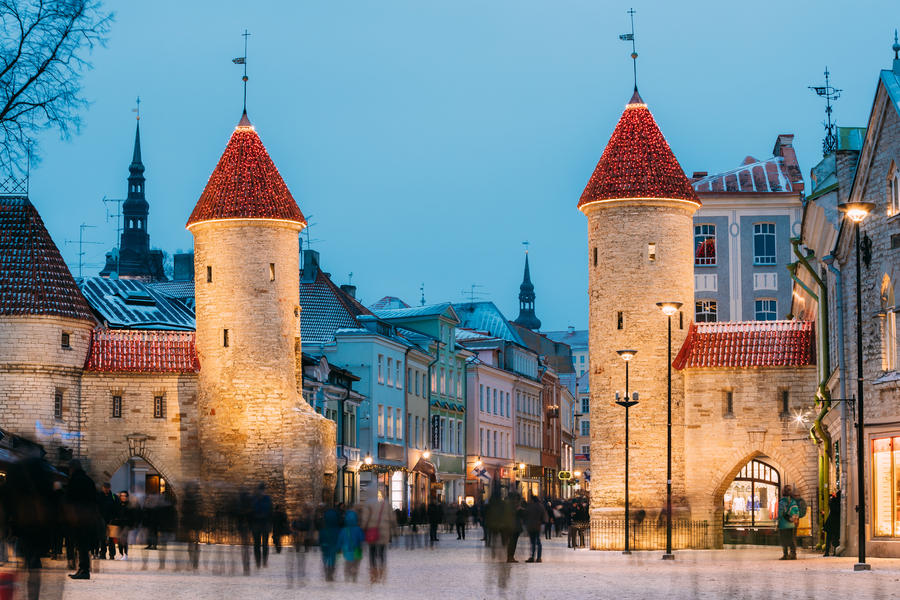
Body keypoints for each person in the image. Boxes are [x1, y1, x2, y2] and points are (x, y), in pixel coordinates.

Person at [1, 453, 57, 599]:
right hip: (39, 526)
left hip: (23, 524)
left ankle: (28, 576)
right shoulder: (42, 474)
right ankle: (33, 593)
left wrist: (6, 524)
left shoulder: (15, 473)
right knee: (33, 560)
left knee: (27, 556)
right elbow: (53, 502)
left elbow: (7, 501)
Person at [64, 460, 99, 580]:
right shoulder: (88, 480)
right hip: (88, 516)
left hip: (78, 516)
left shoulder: (75, 480)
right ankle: (82, 569)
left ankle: (84, 570)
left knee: (81, 544)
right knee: (83, 544)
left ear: (72, 468)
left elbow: (70, 498)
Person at [363, 497, 396, 583]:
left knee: (372, 552)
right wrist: (394, 529)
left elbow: (365, 518)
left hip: (372, 530)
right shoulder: (387, 505)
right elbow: (392, 518)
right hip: (384, 531)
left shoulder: (369, 505)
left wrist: (363, 528)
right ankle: (382, 570)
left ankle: (373, 573)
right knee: (382, 552)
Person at [337, 509, 364, 582]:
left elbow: (340, 540)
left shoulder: (343, 530)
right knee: (356, 564)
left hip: (347, 550)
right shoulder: (358, 529)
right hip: (357, 550)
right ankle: (354, 577)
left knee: (347, 563)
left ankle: (347, 576)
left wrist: (338, 549)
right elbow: (362, 539)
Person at [250, 482, 273, 569]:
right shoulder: (255, 499)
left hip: (264, 524)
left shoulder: (266, 499)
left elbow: (270, 511)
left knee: (264, 544)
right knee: (257, 544)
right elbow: (252, 511)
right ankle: (258, 562)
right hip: (257, 524)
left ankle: (264, 561)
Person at [777, 484, 799, 560]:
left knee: (784, 540)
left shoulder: (782, 502)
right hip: (791, 524)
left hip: (783, 524)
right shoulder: (793, 501)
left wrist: (778, 521)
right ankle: (793, 554)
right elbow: (797, 512)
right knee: (792, 539)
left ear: (783, 492)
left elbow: (780, 513)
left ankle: (785, 555)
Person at [319, 505, 340, 582]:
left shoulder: (323, 529)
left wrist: (321, 544)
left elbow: (320, 538)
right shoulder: (337, 530)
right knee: (333, 560)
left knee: (325, 559)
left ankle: (326, 572)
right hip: (333, 547)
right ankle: (330, 573)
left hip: (325, 546)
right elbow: (339, 539)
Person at [97, 483, 117, 560]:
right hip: (101, 520)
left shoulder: (113, 497)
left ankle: (112, 554)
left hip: (111, 520)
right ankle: (103, 554)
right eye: (105, 488)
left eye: (107, 488)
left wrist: (115, 518)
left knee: (111, 538)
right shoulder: (99, 496)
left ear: (109, 488)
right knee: (102, 538)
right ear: (102, 488)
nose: (106, 489)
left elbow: (117, 508)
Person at [524, 495, 548, 563]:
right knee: (538, 542)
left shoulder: (530, 506)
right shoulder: (541, 507)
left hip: (531, 526)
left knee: (532, 542)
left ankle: (532, 557)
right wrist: (542, 522)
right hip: (538, 526)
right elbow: (544, 517)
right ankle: (539, 557)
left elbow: (526, 515)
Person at [823, 490, 841, 557]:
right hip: (836, 522)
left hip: (830, 522)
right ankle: (834, 551)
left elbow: (831, 506)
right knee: (836, 537)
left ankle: (827, 551)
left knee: (829, 537)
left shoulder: (832, 501)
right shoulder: (838, 502)